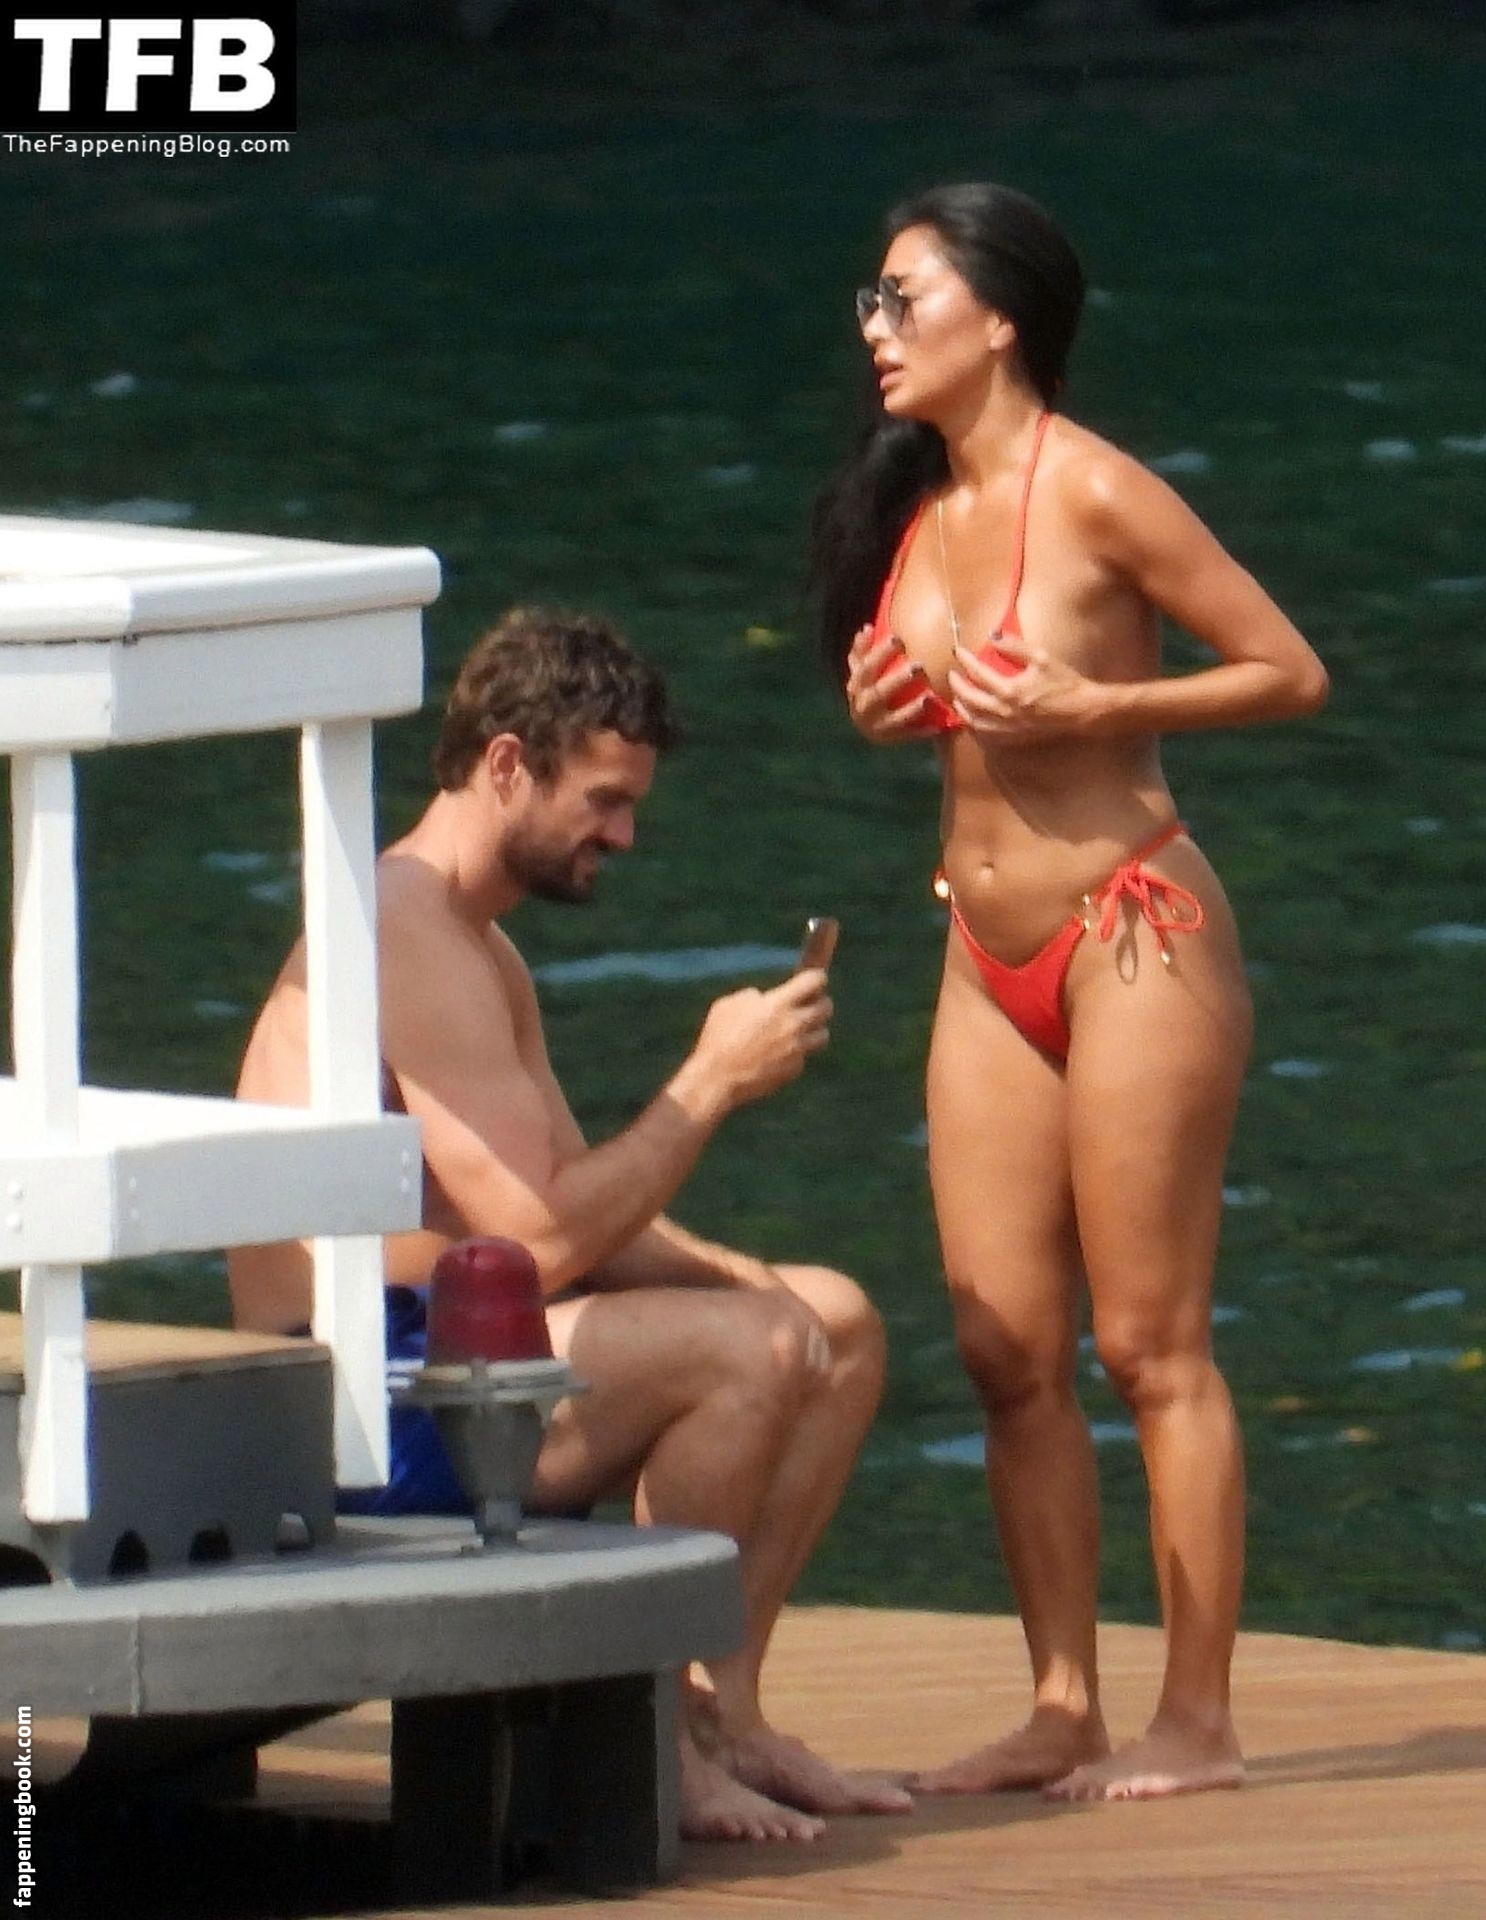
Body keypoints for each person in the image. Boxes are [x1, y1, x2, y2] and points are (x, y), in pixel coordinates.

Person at [228, 607, 911, 1843]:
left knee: (834, 1323)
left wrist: (746, 1275)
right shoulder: (400, 929)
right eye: (604, 800)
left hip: (451, 1345)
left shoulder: (478, 947)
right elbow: (541, 1245)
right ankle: (654, 1739)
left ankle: (726, 1714)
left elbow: (576, 1214)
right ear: (506, 764)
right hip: (355, 1401)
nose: (624, 834)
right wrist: (708, 1083)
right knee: (752, 1348)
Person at [812, 183, 1328, 1802]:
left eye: (904, 297)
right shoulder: (919, 510)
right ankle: (1059, 1705)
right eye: (871, 302)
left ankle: (1198, 1721)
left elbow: (1288, 669)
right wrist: (882, 712)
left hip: (1130, 933)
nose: (875, 328)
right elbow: (934, 708)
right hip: (980, 953)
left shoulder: (1096, 489)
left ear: (1001, 316)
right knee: (1001, 1347)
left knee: (1148, 1345)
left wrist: (1100, 702)